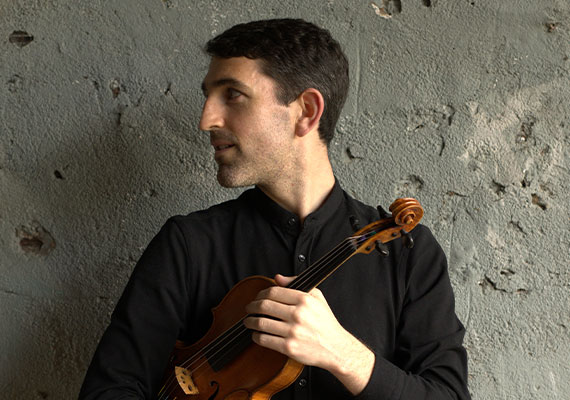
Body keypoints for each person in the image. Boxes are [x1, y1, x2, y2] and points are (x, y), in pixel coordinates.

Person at [79, 18, 470, 399]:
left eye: (232, 94)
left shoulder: (407, 251)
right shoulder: (189, 244)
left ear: (306, 112)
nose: (206, 120)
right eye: (208, 96)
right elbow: (109, 389)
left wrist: (343, 354)